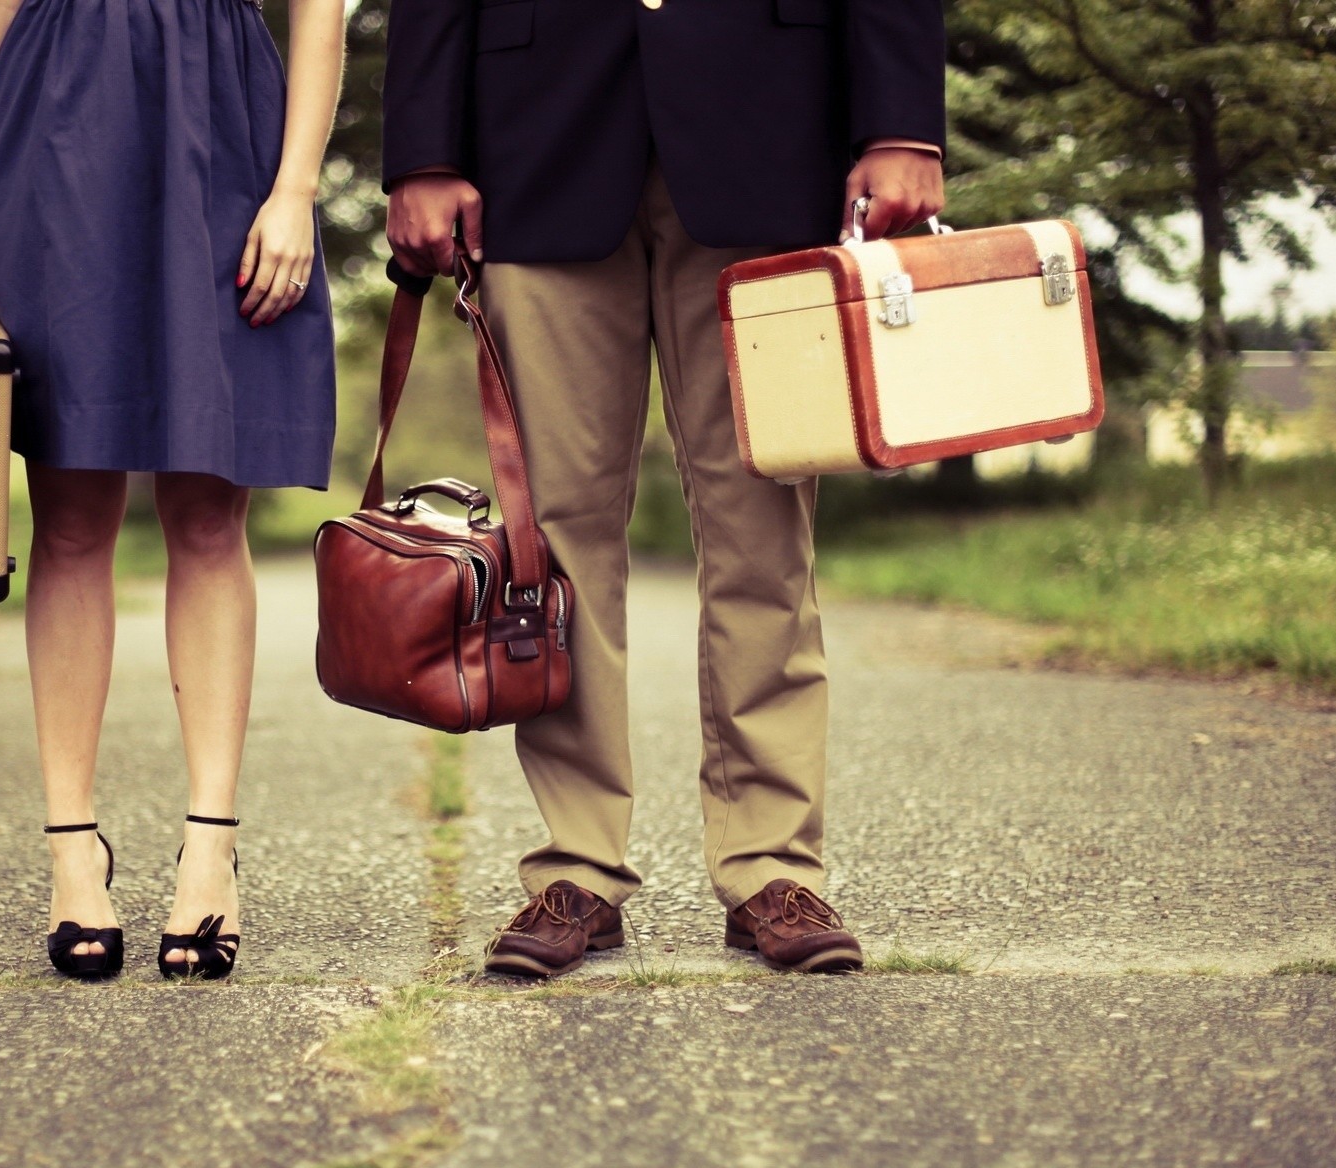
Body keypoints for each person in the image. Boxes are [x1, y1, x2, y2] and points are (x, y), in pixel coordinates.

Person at [384, 0, 946, 976]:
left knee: (764, 532)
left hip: (773, 124)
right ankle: (577, 870)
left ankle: (772, 861)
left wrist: (900, 122)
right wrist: (423, 152)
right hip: (535, 132)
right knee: (550, 548)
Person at [0, 0, 345, 981]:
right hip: (58, 124)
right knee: (69, 510)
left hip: (223, 122)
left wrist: (297, 189)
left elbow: (323, 9)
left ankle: (210, 852)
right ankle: (74, 854)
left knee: (206, 509)